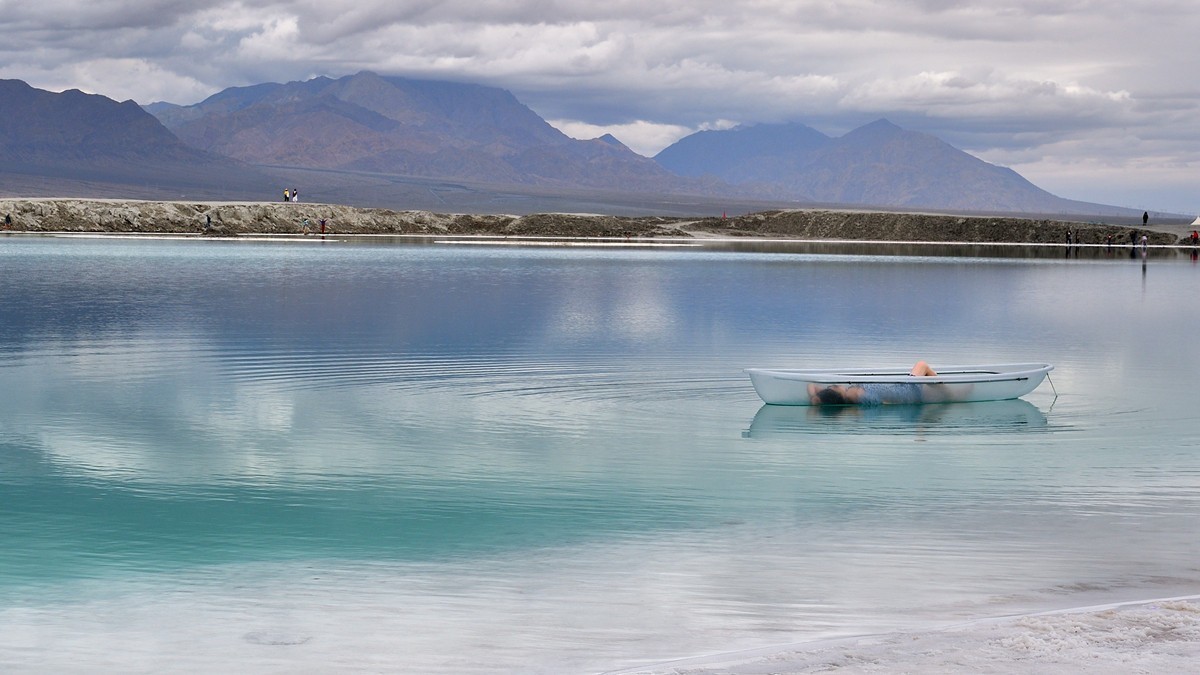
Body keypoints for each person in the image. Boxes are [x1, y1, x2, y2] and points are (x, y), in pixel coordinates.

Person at [808, 361, 940, 405]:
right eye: (833, 386)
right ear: (836, 391)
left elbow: (811, 386)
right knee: (922, 365)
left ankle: (942, 392)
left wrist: (816, 398)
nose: (834, 385)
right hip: (906, 392)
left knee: (925, 377)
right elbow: (883, 402)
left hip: (901, 388)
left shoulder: (849, 395)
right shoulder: (858, 395)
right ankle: (946, 393)